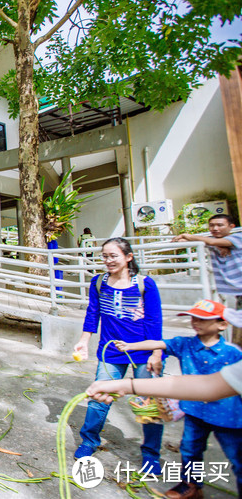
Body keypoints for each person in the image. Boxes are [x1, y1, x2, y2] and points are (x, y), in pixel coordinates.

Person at [112, 300, 242, 499]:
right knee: (190, 449)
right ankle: (190, 486)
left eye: (203, 319)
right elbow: (158, 343)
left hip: (228, 416)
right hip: (194, 411)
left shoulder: (233, 353)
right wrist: (130, 346)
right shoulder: (185, 344)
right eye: (194, 318)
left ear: (222, 325)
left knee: (237, 456)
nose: (195, 322)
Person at [72, 237, 165, 474]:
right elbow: (93, 313)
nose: (108, 260)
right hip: (110, 351)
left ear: (128, 257)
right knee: (99, 397)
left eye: (113, 255)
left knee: (149, 405)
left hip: (144, 354)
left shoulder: (145, 284)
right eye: (104, 256)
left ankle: (151, 454)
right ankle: (89, 441)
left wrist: (156, 353)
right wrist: (84, 341)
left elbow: (155, 321)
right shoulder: (99, 282)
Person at [173, 214, 242, 344]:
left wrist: (188, 235)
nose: (215, 228)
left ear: (231, 226)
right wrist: (215, 244)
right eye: (212, 225)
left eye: (220, 225)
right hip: (233, 292)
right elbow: (180, 242)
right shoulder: (210, 241)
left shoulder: (238, 237)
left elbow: (211, 242)